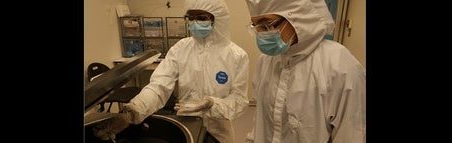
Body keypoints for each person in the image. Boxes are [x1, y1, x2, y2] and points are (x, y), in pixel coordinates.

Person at [93, 0, 250, 142]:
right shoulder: (181, 48)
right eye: (190, 18)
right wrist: (133, 111)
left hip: (220, 128)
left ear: (218, 19)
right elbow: (159, 86)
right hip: (186, 122)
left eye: (201, 18)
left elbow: (239, 100)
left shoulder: (237, 56)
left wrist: (211, 104)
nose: (195, 23)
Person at [243, 0, 366, 142]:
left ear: (298, 17)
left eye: (267, 25)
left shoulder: (339, 65)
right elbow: (260, 122)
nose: (261, 34)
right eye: (256, 25)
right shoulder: (266, 61)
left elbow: (351, 135)